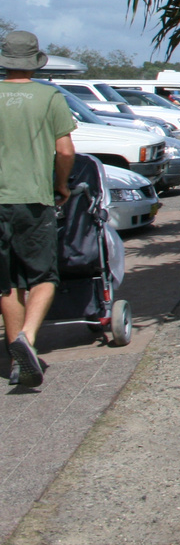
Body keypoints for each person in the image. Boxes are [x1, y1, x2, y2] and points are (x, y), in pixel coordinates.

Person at [0, 31, 77, 389]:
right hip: (33, 198)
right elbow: (65, 151)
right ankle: (26, 340)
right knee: (44, 277)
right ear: (34, 62)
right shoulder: (49, 97)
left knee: (7, 281)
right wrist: (61, 185)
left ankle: (17, 362)